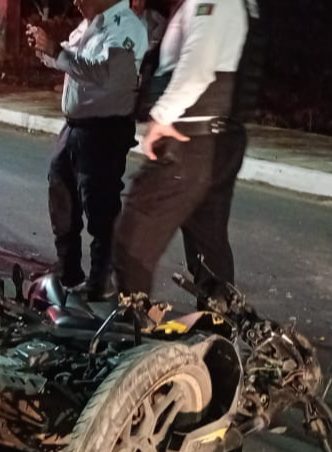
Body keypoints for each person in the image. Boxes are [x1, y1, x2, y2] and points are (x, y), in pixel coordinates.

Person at [112, 0, 265, 302]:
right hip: (213, 138)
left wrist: (161, 117)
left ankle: (133, 328)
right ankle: (217, 331)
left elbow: (199, 64)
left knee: (135, 236)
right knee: (208, 246)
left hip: (190, 139)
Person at [26, 0, 146, 301]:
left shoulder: (126, 27)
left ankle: (100, 282)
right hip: (75, 127)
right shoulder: (88, 26)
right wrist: (44, 49)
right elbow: (67, 60)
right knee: (61, 195)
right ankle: (69, 271)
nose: (76, 1)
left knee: (99, 207)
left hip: (105, 129)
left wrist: (58, 51)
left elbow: (106, 75)